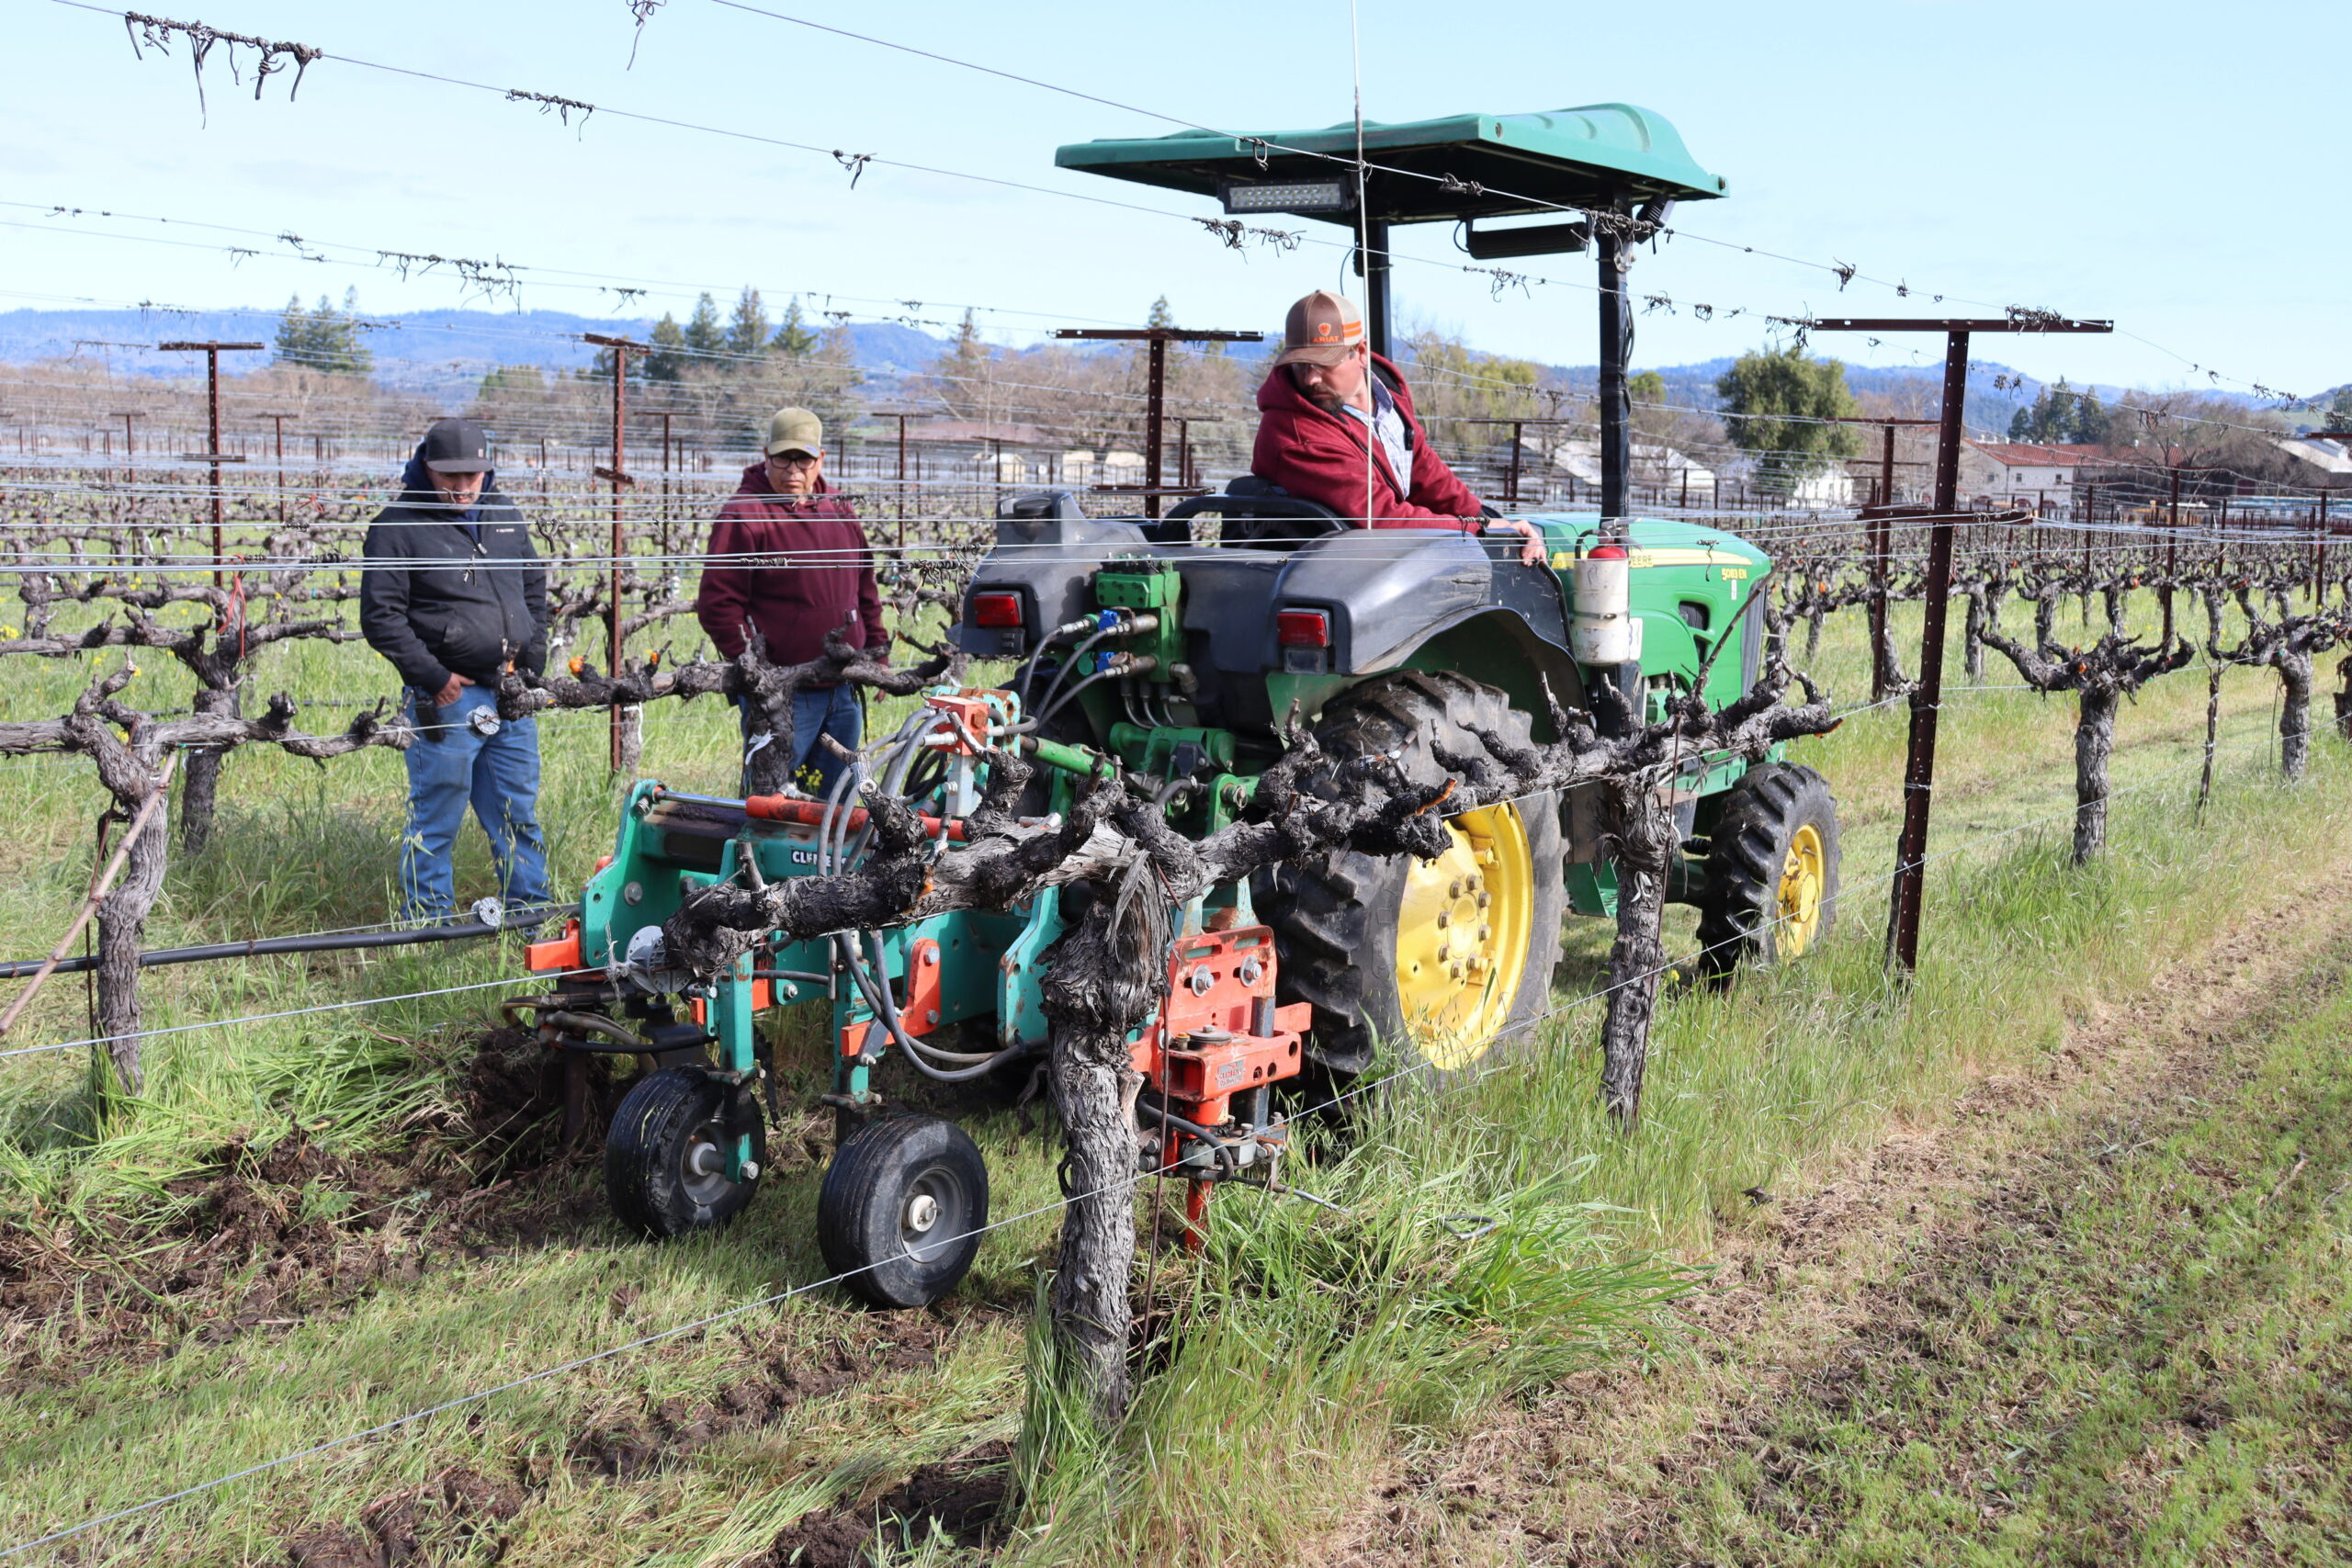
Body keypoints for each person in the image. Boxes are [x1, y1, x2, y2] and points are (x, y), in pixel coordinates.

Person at [359, 416, 552, 924]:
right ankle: (430, 919)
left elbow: (534, 586)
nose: (464, 486)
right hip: (448, 696)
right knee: (437, 812)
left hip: (510, 691)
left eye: (474, 475)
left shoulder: (506, 514)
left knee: (518, 812)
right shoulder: (396, 527)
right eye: (451, 476)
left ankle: (530, 911)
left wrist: (530, 666)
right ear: (427, 467)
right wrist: (434, 677)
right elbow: (380, 616)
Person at [1252, 289, 1546, 565]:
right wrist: (1477, 528)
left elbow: (1423, 470)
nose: (1310, 379)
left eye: (1323, 364)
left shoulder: (1388, 399)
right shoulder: (1295, 435)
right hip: (1328, 568)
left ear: (1361, 351)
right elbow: (1383, 519)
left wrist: (1490, 520)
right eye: (1301, 365)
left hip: (1374, 560)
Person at [694, 407, 890, 795]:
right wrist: (757, 673)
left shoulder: (839, 508)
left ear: (821, 459)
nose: (793, 469)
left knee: (838, 799)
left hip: (842, 686)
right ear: (766, 455)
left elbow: (864, 585)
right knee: (770, 799)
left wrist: (877, 655)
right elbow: (718, 604)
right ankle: (756, 856)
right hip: (784, 693)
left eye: (804, 458)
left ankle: (826, 859)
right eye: (783, 458)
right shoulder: (744, 514)